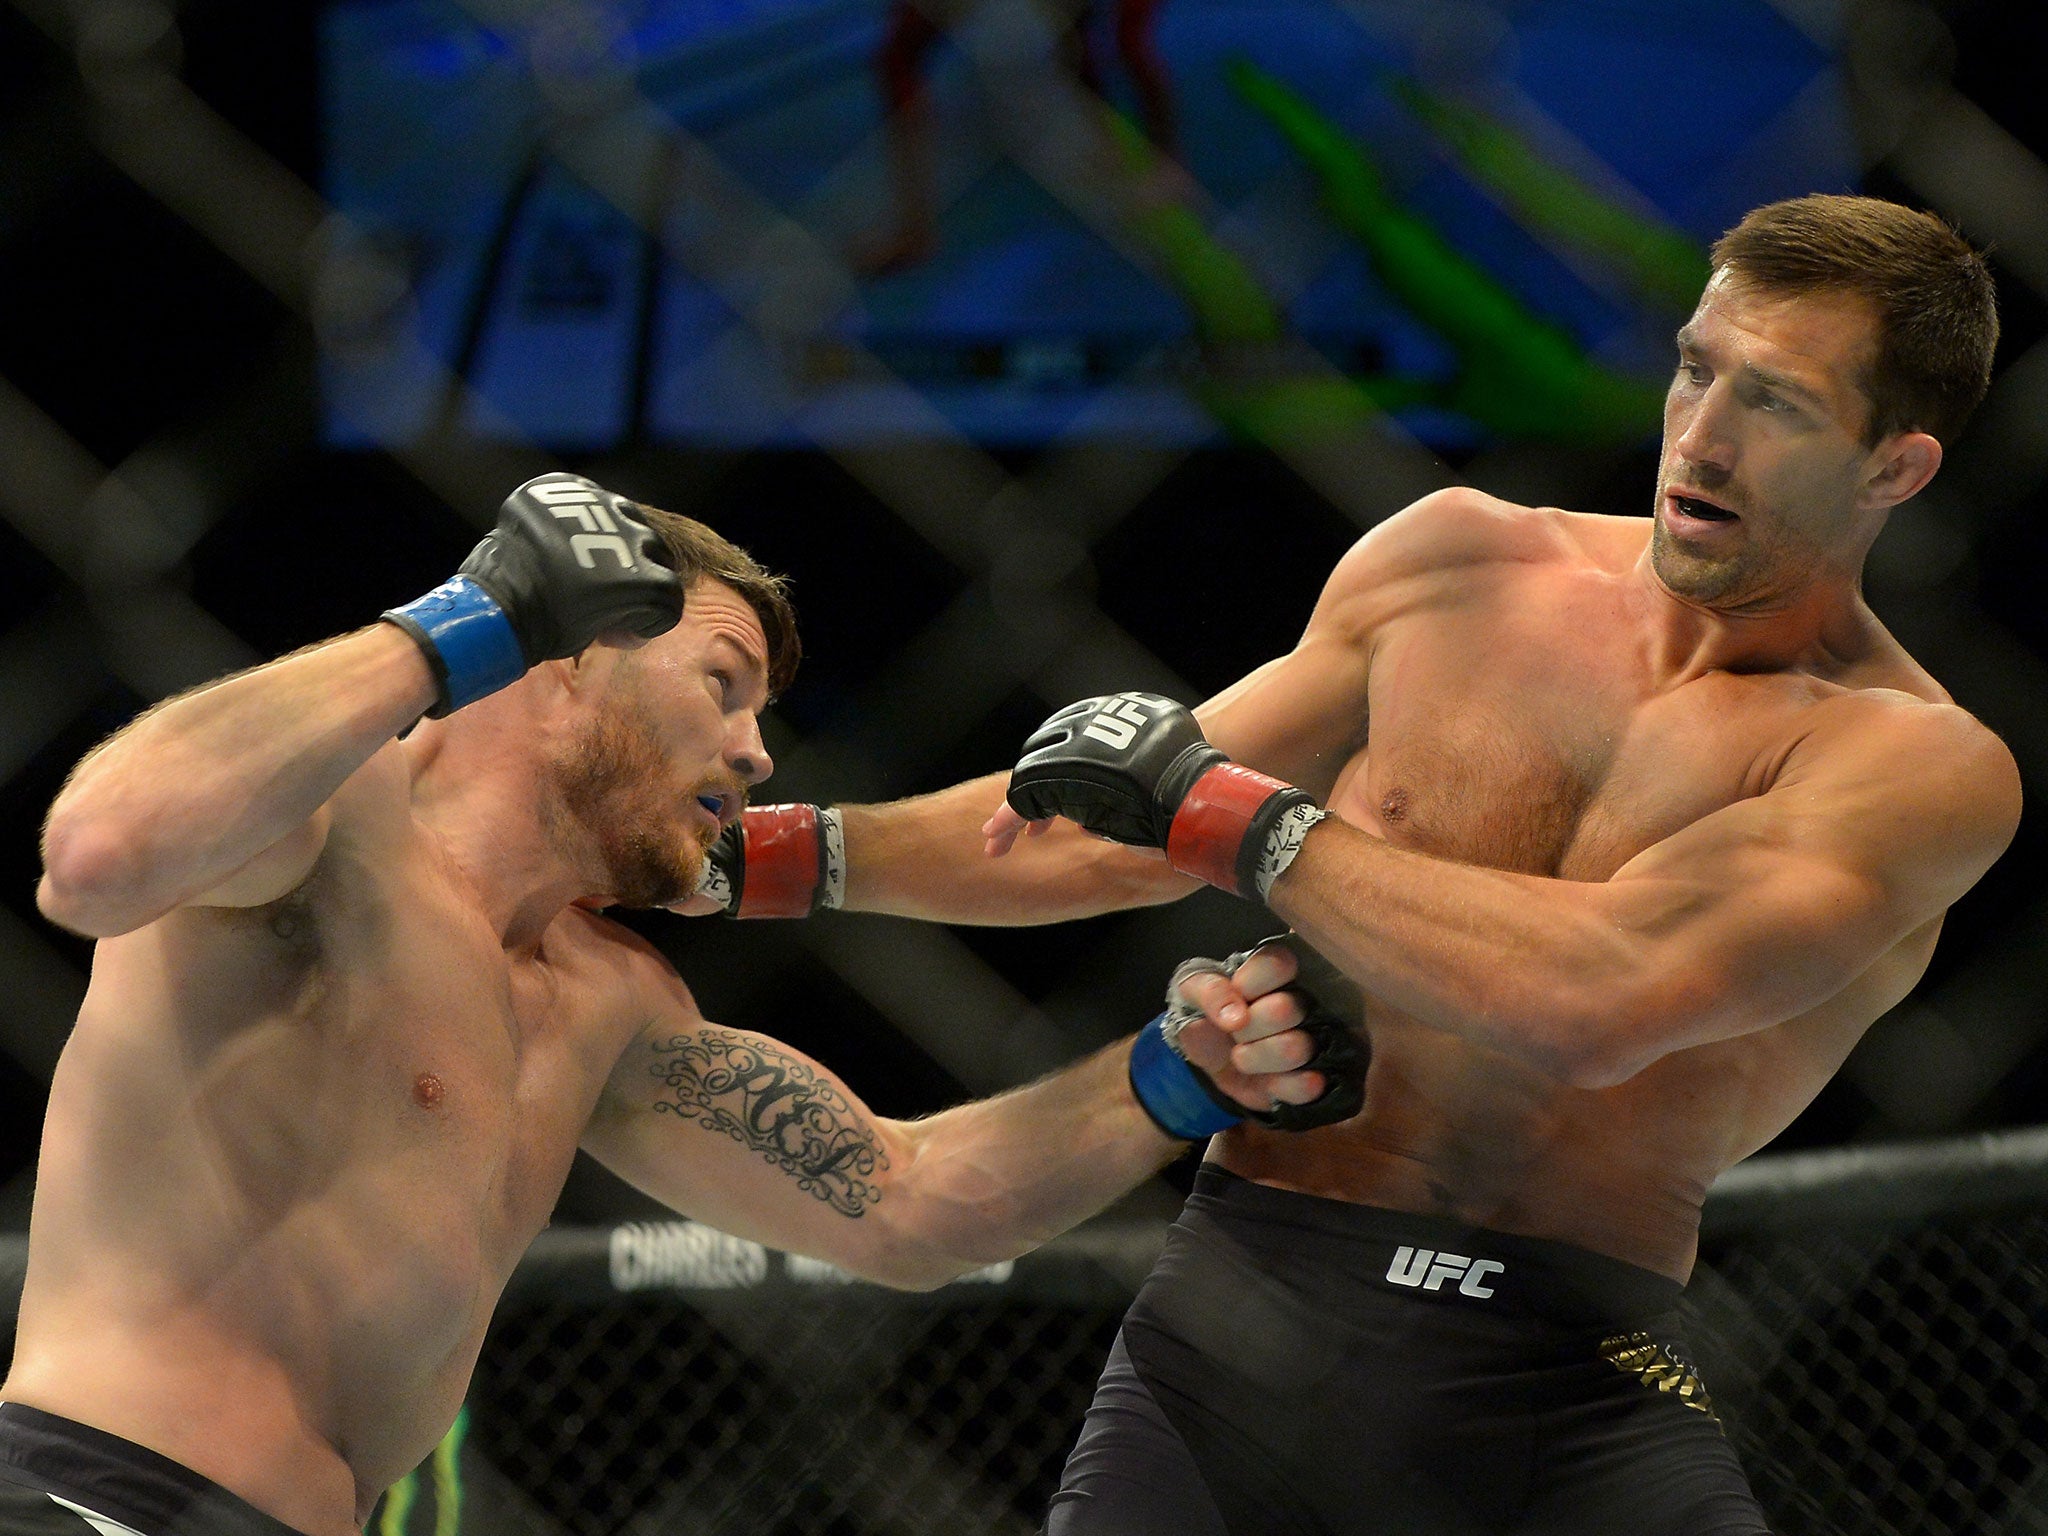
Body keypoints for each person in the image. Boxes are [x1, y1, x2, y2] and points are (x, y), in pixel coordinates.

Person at [692, 193, 2022, 1532]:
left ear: (1894, 470)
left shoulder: (1912, 768)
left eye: (1778, 403)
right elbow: (1097, 834)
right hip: (1240, 1326)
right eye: (1694, 366)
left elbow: (1601, 999)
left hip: (1566, 1380)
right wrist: (733, 861)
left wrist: (1236, 822)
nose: (1705, 436)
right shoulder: (1460, 567)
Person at [0, 473, 1351, 1536]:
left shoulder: (608, 1001)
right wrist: (469, 621)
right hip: (90, 1497)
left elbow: (909, 1204)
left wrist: (1176, 1076)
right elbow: (100, 852)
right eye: (722, 685)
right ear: (571, 659)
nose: (755, 750)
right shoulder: (331, 828)